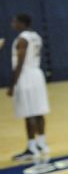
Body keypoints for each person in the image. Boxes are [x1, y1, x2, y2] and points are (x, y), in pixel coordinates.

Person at [8, 13, 51, 160]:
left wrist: (12, 84)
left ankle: (32, 148)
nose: (13, 23)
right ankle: (42, 144)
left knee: (29, 114)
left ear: (22, 23)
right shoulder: (36, 36)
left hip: (25, 76)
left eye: (15, 21)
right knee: (39, 112)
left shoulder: (22, 39)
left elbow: (20, 63)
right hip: (37, 75)